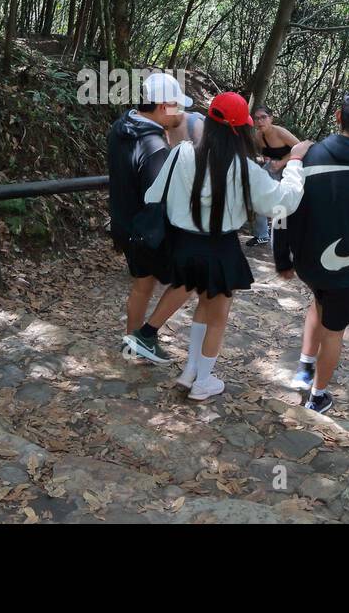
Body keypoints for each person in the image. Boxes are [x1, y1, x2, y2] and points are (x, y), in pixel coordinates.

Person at [143, 92, 311, 401]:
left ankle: (190, 371)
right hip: (220, 248)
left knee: (204, 307)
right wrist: (295, 164)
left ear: (209, 120)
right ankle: (203, 381)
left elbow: (153, 195)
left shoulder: (182, 153)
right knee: (218, 314)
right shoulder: (244, 168)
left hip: (183, 244)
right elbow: (282, 202)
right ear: (239, 129)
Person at [274, 89, 349, 413]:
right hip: (346, 270)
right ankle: (317, 395)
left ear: (338, 117)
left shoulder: (308, 157)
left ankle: (304, 368)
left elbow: (285, 207)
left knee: (318, 302)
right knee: (335, 329)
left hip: (309, 263)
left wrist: (282, 256)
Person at [107, 72, 191, 360]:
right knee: (193, 274)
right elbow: (160, 196)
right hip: (148, 229)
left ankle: (133, 343)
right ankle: (146, 335)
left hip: (124, 223)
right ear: (162, 105)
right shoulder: (155, 147)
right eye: (176, 106)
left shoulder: (121, 126)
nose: (181, 112)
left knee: (143, 284)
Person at [249, 106, 301, 246]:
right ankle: (262, 234)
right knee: (258, 195)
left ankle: (281, 237)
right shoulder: (258, 135)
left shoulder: (281, 132)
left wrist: (282, 162)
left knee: (281, 203)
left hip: (290, 167)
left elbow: (301, 148)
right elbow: (264, 151)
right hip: (272, 167)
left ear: (271, 118)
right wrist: (267, 159)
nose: (260, 121)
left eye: (264, 117)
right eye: (257, 118)